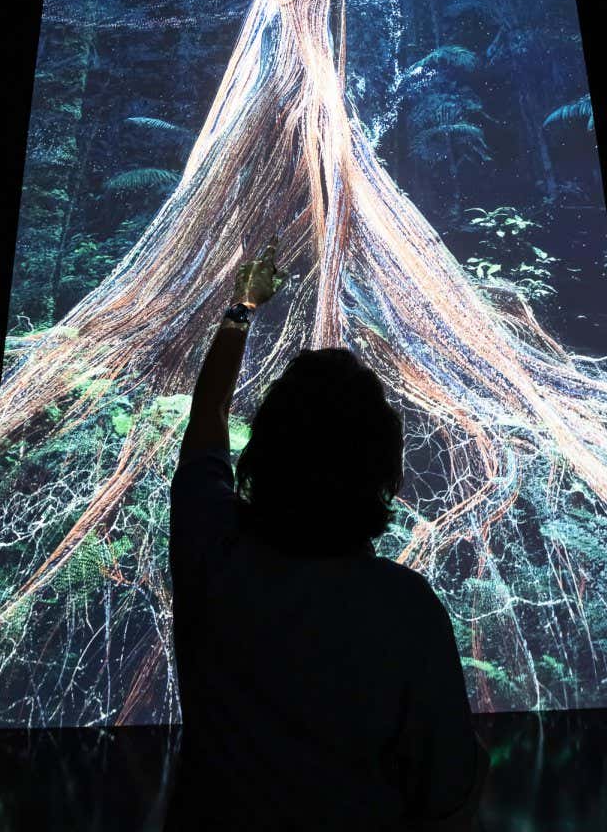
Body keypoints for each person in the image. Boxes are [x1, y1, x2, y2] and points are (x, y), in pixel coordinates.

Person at [167, 240, 489, 831]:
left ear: (262, 453)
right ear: (382, 474)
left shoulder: (213, 559)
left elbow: (207, 416)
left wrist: (243, 305)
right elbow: (447, 792)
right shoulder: (405, 607)